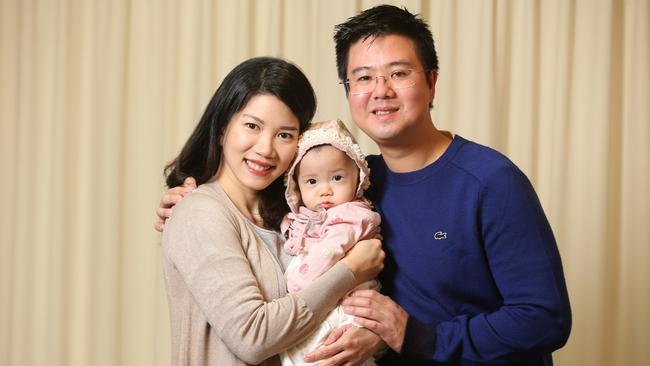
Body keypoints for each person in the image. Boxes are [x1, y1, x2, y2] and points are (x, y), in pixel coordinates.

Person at [157, 5, 572, 365]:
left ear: (431, 81)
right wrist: (189, 202)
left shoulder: (490, 182)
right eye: (364, 78)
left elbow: (544, 318)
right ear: (348, 90)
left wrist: (414, 336)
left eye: (398, 73)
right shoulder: (349, 185)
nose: (381, 92)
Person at [160, 56, 385, 366]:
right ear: (223, 126)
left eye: (285, 135)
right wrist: (350, 271)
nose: (266, 149)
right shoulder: (201, 213)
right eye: (252, 126)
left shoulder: (295, 219)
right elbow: (252, 337)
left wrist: (372, 338)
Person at [279, 119, 381, 366]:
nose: (325, 190)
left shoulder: (352, 215)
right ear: (296, 185)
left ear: (357, 177)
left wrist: (296, 285)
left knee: (328, 352)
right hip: (322, 302)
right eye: (312, 182)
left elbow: (329, 252)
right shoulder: (304, 216)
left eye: (336, 178)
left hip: (347, 307)